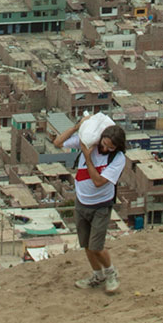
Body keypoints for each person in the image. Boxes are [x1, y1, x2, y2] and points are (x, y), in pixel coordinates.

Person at [52, 117, 128, 294]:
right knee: (86, 244)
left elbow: (98, 181)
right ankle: (97, 275)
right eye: (104, 144)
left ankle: (111, 273)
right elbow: (57, 142)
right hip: (82, 202)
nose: (105, 149)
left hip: (100, 205)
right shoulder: (89, 142)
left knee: (97, 246)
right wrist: (77, 127)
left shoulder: (117, 159)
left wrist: (87, 156)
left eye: (110, 147)